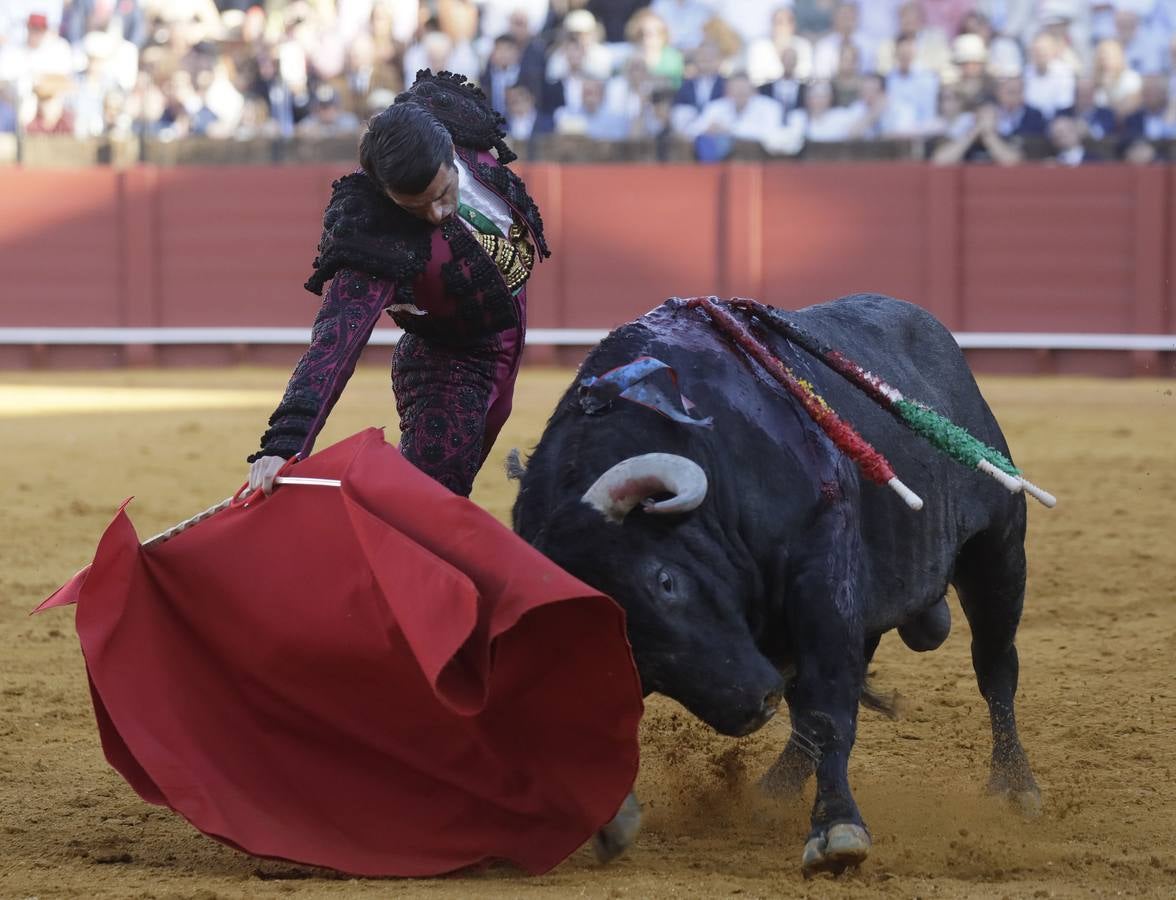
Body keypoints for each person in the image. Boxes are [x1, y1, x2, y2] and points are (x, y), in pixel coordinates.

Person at [246, 71, 549, 498]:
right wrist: (285, 443)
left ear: (451, 152)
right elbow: (334, 344)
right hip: (448, 366)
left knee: (447, 500)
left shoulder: (454, 119)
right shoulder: (375, 234)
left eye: (444, 192)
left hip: (507, 347)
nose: (438, 213)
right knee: (428, 506)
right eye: (416, 206)